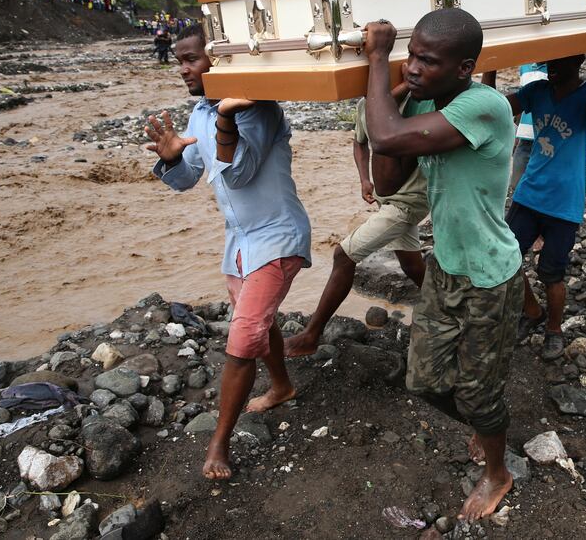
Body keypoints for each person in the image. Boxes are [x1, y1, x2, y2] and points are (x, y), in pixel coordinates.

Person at [362, 9, 523, 522]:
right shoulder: (426, 100)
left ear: (464, 68)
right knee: (423, 380)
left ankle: (497, 471)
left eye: (427, 61)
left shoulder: (484, 105)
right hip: (446, 267)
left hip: (490, 277)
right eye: (410, 55)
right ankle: (484, 423)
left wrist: (378, 59)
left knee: (478, 391)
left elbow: (386, 138)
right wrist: (402, 93)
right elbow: (388, 181)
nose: (412, 67)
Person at [144, 24, 311, 480]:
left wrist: (224, 122)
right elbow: (186, 179)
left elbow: (238, 174)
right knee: (259, 323)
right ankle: (282, 386)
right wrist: (172, 156)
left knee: (242, 339)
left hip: (277, 237)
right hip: (239, 242)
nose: (183, 69)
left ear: (218, 59)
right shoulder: (201, 111)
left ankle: (218, 444)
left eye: (191, 59)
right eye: (179, 61)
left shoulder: (258, 109)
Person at [282, 94, 428, 357]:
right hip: (388, 199)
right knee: (412, 266)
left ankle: (311, 335)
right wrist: (364, 179)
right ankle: (451, 310)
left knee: (344, 255)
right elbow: (359, 142)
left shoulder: (419, 102)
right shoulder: (366, 105)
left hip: (408, 201)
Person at [501, 39, 586, 360]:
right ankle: (532, 311)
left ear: (578, 60)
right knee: (504, 259)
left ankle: (554, 328)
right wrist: (490, 68)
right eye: (548, 61)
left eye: (559, 62)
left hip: (564, 203)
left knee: (551, 273)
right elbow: (500, 108)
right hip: (529, 193)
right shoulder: (537, 91)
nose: (551, 68)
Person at [509, 63, 547, 191]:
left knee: (539, 184)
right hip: (525, 136)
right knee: (516, 183)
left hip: (544, 137)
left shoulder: (554, 68)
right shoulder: (525, 67)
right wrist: (516, 132)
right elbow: (522, 100)